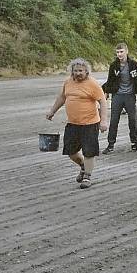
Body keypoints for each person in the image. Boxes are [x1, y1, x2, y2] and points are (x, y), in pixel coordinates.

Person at [45, 58, 108, 189]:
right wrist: (52, 111)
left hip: (90, 123)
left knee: (89, 152)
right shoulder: (68, 82)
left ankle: (87, 177)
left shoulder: (92, 84)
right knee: (71, 151)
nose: (78, 73)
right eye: (75, 71)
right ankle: (83, 166)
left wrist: (104, 121)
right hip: (73, 123)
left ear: (86, 71)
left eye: (81, 71)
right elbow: (62, 97)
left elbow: (102, 101)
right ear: (71, 72)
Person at [101, 43, 137, 153]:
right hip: (117, 96)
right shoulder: (113, 65)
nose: (119, 54)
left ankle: (134, 143)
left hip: (130, 96)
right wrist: (106, 94)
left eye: (121, 52)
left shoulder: (133, 64)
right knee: (114, 120)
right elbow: (110, 80)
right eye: (117, 52)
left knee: (133, 120)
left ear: (126, 51)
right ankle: (110, 144)